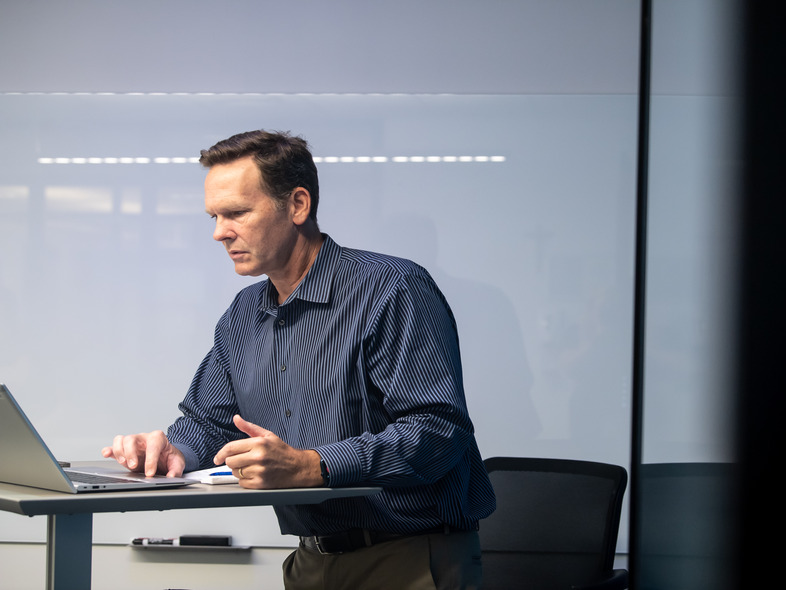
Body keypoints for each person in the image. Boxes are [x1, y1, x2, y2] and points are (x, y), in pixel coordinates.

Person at [102, 130, 496, 589]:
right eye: (214, 216)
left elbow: (437, 432)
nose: (218, 232)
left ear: (297, 206)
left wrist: (314, 465)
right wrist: (172, 451)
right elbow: (209, 423)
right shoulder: (243, 314)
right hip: (312, 562)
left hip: (409, 559)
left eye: (236, 213)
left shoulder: (392, 289)